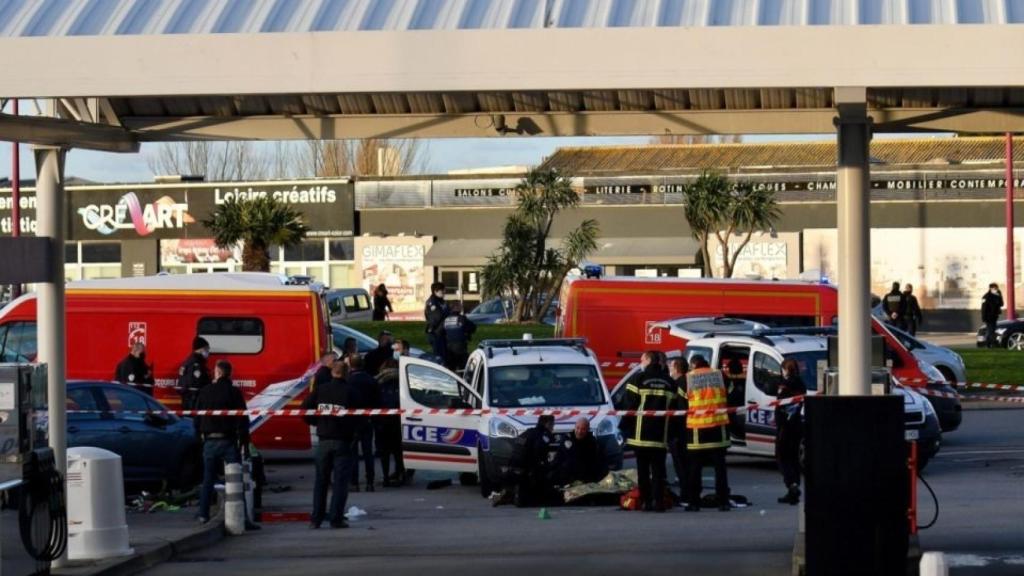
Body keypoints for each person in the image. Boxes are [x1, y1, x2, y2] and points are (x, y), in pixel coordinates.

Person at [302, 361, 362, 529]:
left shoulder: (321, 390)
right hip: (343, 441)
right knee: (340, 482)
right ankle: (336, 518)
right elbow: (360, 417)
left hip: (323, 441)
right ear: (346, 373)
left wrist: (316, 422)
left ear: (332, 373)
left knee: (321, 481)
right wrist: (353, 430)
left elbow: (304, 408)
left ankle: (316, 519)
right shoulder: (351, 392)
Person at [620, 351, 679, 512]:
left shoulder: (638, 379)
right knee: (659, 471)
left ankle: (646, 502)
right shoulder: (670, 382)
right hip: (660, 435)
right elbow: (675, 409)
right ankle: (659, 503)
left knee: (643, 471)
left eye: (641, 359)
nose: (640, 362)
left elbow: (629, 405)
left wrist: (623, 425)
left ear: (648, 360)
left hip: (640, 435)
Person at [194, 360, 249, 525]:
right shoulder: (234, 392)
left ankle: (203, 514)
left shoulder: (205, 391)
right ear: (229, 374)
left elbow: (197, 417)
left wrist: (199, 436)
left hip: (209, 441)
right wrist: (244, 441)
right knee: (236, 480)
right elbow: (242, 418)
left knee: (208, 479)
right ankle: (243, 517)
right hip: (228, 440)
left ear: (217, 373)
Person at [684, 355, 731, 512]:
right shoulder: (719, 374)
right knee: (720, 469)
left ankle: (694, 502)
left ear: (693, 365)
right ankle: (723, 502)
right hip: (718, 427)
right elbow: (730, 392)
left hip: (697, 429)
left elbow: (683, 402)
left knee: (695, 468)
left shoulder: (688, 378)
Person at [492, 415, 557, 507]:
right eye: (552, 425)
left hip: (511, 471)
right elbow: (538, 454)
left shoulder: (528, 432)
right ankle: (515, 496)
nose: (553, 427)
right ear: (547, 424)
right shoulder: (543, 435)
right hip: (527, 472)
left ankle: (509, 494)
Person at [776, 359, 807, 505]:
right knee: (793, 457)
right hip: (797, 425)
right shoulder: (801, 384)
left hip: (786, 426)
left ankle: (791, 485)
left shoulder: (785, 385)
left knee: (782, 457)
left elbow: (780, 405)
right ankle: (793, 491)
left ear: (785, 370)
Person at [347, 355, 379, 492]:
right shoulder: (371, 380)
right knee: (368, 453)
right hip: (367, 419)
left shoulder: (347, 380)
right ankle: (370, 482)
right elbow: (377, 399)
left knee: (353, 453)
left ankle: (354, 482)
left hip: (352, 420)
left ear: (351, 365)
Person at [552, 418, 608, 486]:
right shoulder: (567, 439)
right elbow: (559, 458)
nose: (579, 431)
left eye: (583, 429)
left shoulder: (592, 443)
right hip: (567, 478)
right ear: (574, 427)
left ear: (588, 430)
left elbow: (596, 463)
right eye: (577, 428)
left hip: (585, 479)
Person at [375, 359, 405, 487]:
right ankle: (400, 474)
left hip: (382, 422)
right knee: (398, 451)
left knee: (384, 452)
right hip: (398, 421)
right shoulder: (402, 381)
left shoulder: (377, 381)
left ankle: (386, 476)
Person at [666, 358, 689, 496]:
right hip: (688, 429)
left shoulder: (677, 385)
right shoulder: (688, 382)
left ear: (677, 368)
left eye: (671, 367)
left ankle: (685, 493)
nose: (670, 369)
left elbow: (678, 409)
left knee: (681, 464)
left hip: (679, 431)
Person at [177, 337, 211, 410]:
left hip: (189, 401)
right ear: (201, 349)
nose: (208, 351)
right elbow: (196, 384)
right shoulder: (196, 364)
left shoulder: (189, 362)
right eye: (207, 349)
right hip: (194, 402)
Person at [443, 302, 477, 372]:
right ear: (457, 308)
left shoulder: (446, 320)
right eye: (460, 307)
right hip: (460, 347)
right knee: (463, 367)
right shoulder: (462, 318)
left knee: (451, 368)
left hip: (448, 348)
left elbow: (442, 332)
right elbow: (473, 327)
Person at [424, 282, 450, 364]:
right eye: (442, 291)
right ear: (435, 291)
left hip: (442, 332)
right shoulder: (432, 303)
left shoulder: (441, 301)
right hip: (436, 332)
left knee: (445, 355)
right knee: (439, 356)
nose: (444, 293)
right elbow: (436, 317)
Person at [982, 283, 1004, 348]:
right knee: (991, 330)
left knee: (990, 330)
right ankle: (994, 344)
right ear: (990, 288)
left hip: (994, 316)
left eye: (996, 288)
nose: (996, 290)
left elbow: (1001, 304)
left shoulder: (997, 295)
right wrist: (983, 317)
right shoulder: (986, 296)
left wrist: (1000, 295)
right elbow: (984, 308)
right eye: (994, 289)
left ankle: (987, 344)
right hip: (988, 316)